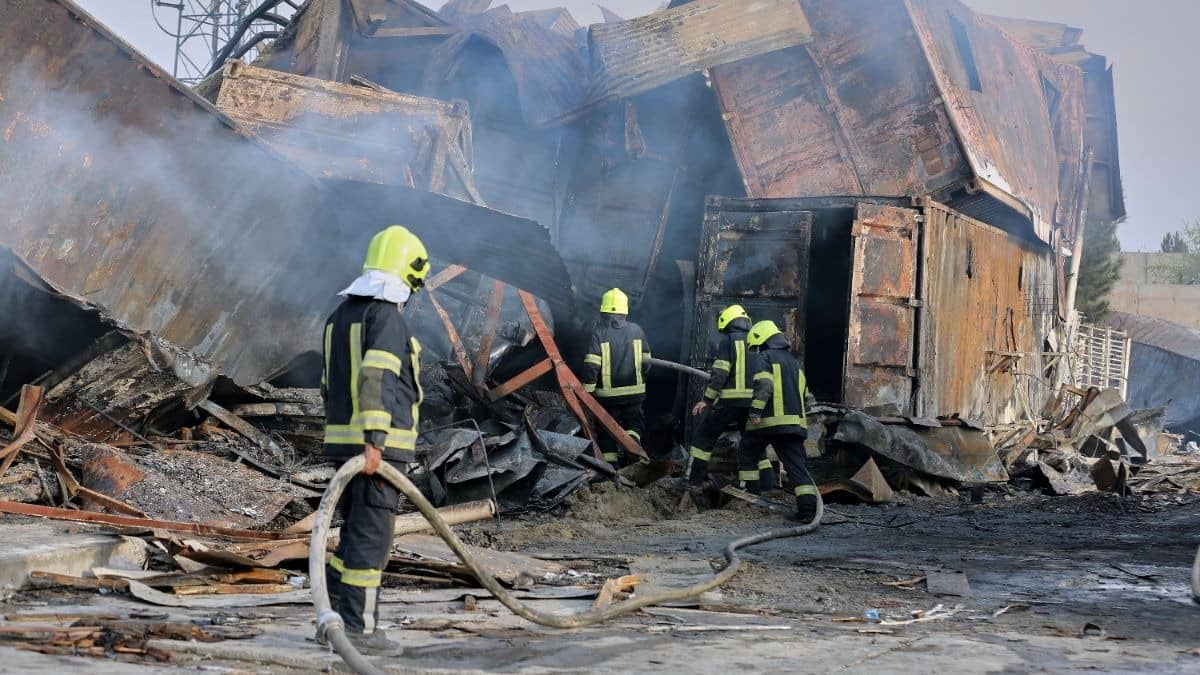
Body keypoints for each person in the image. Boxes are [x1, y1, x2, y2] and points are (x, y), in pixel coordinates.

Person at [320, 225, 429, 654]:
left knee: (352, 537)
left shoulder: (339, 316)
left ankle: (330, 623)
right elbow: (378, 378)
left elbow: (330, 385)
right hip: (374, 452)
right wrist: (375, 441)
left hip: (343, 445)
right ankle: (360, 632)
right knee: (371, 539)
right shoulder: (385, 317)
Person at [687, 304, 777, 488]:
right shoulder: (758, 342)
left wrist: (707, 400)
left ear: (727, 322)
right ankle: (768, 487)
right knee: (755, 446)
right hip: (753, 405)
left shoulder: (729, 341)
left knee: (704, 437)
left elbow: (720, 373)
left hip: (730, 403)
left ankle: (693, 481)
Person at [740, 320, 818, 520]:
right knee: (797, 466)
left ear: (762, 340)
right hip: (795, 425)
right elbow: (807, 397)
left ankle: (749, 495)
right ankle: (808, 511)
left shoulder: (764, 357)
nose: (756, 350)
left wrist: (755, 412)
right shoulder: (794, 363)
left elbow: (764, 386)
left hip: (770, 423)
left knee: (748, 449)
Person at [580, 287, 650, 466]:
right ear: (624, 311)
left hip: (607, 397)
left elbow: (591, 366)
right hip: (635, 394)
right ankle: (633, 457)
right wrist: (640, 379)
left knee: (607, 430)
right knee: (634, 426)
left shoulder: (599, 334)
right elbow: (647, 362)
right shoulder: (638, 331)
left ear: (604, 312)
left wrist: (587, 393)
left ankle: (611, 469)